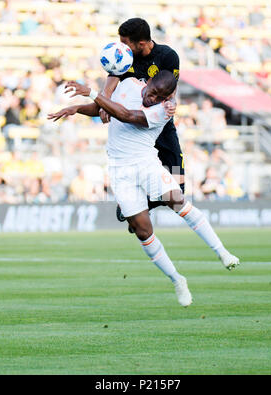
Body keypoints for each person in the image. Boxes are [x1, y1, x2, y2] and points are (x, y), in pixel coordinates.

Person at [48, 71, 240, 307]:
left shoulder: (163, 111)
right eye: (152, 92)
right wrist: (77, 109)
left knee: (180, 204)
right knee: (142, 230)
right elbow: (105, 108)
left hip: (147, 166)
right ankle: (177, 279)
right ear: (147, 82)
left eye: (159, 97)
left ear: (167, 98)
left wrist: (92, 92)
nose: (152, 98)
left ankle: (221, 251)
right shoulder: (127, 84)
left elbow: (126, 115)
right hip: (120, 172)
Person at [99, 18, 184, 226]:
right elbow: (111, 82)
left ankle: (139, 208)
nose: (121, 47)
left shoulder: (167, 56)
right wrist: (104, 102)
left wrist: (172, 102)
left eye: (125, 43)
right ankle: (134, 211)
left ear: (142, 44)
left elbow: (170, 87)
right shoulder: (123, 58)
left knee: (179, 187)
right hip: (133, 127)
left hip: (158, 126)